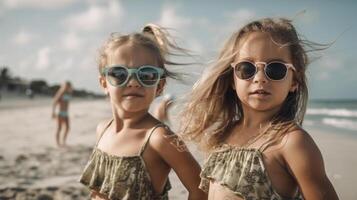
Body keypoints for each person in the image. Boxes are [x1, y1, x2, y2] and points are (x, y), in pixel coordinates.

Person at [180, 18, 339, 200]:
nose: (260, 78)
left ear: (294, 81)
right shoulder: (223, 133)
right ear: (233, 79)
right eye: (247, 68)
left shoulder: (291, 142)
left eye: (276, 69)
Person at [79, 24, 207, 200]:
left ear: (160, 86)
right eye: (119, 73)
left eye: (146, 75)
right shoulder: (103, 129)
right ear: (104, 83)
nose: (133, 82)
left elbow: (200, 189)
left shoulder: (159, 138)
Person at [52, 81, 72, 147]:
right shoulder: (61, 93)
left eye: (69, 86)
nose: (68, 87)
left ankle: (64, 141)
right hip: (60, 113)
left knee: (67, 128)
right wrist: (53, 112)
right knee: (59, 128)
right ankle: (58, 143)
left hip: (66, 113)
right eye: (67, 85)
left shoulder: (69, 93)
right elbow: (54, 102)